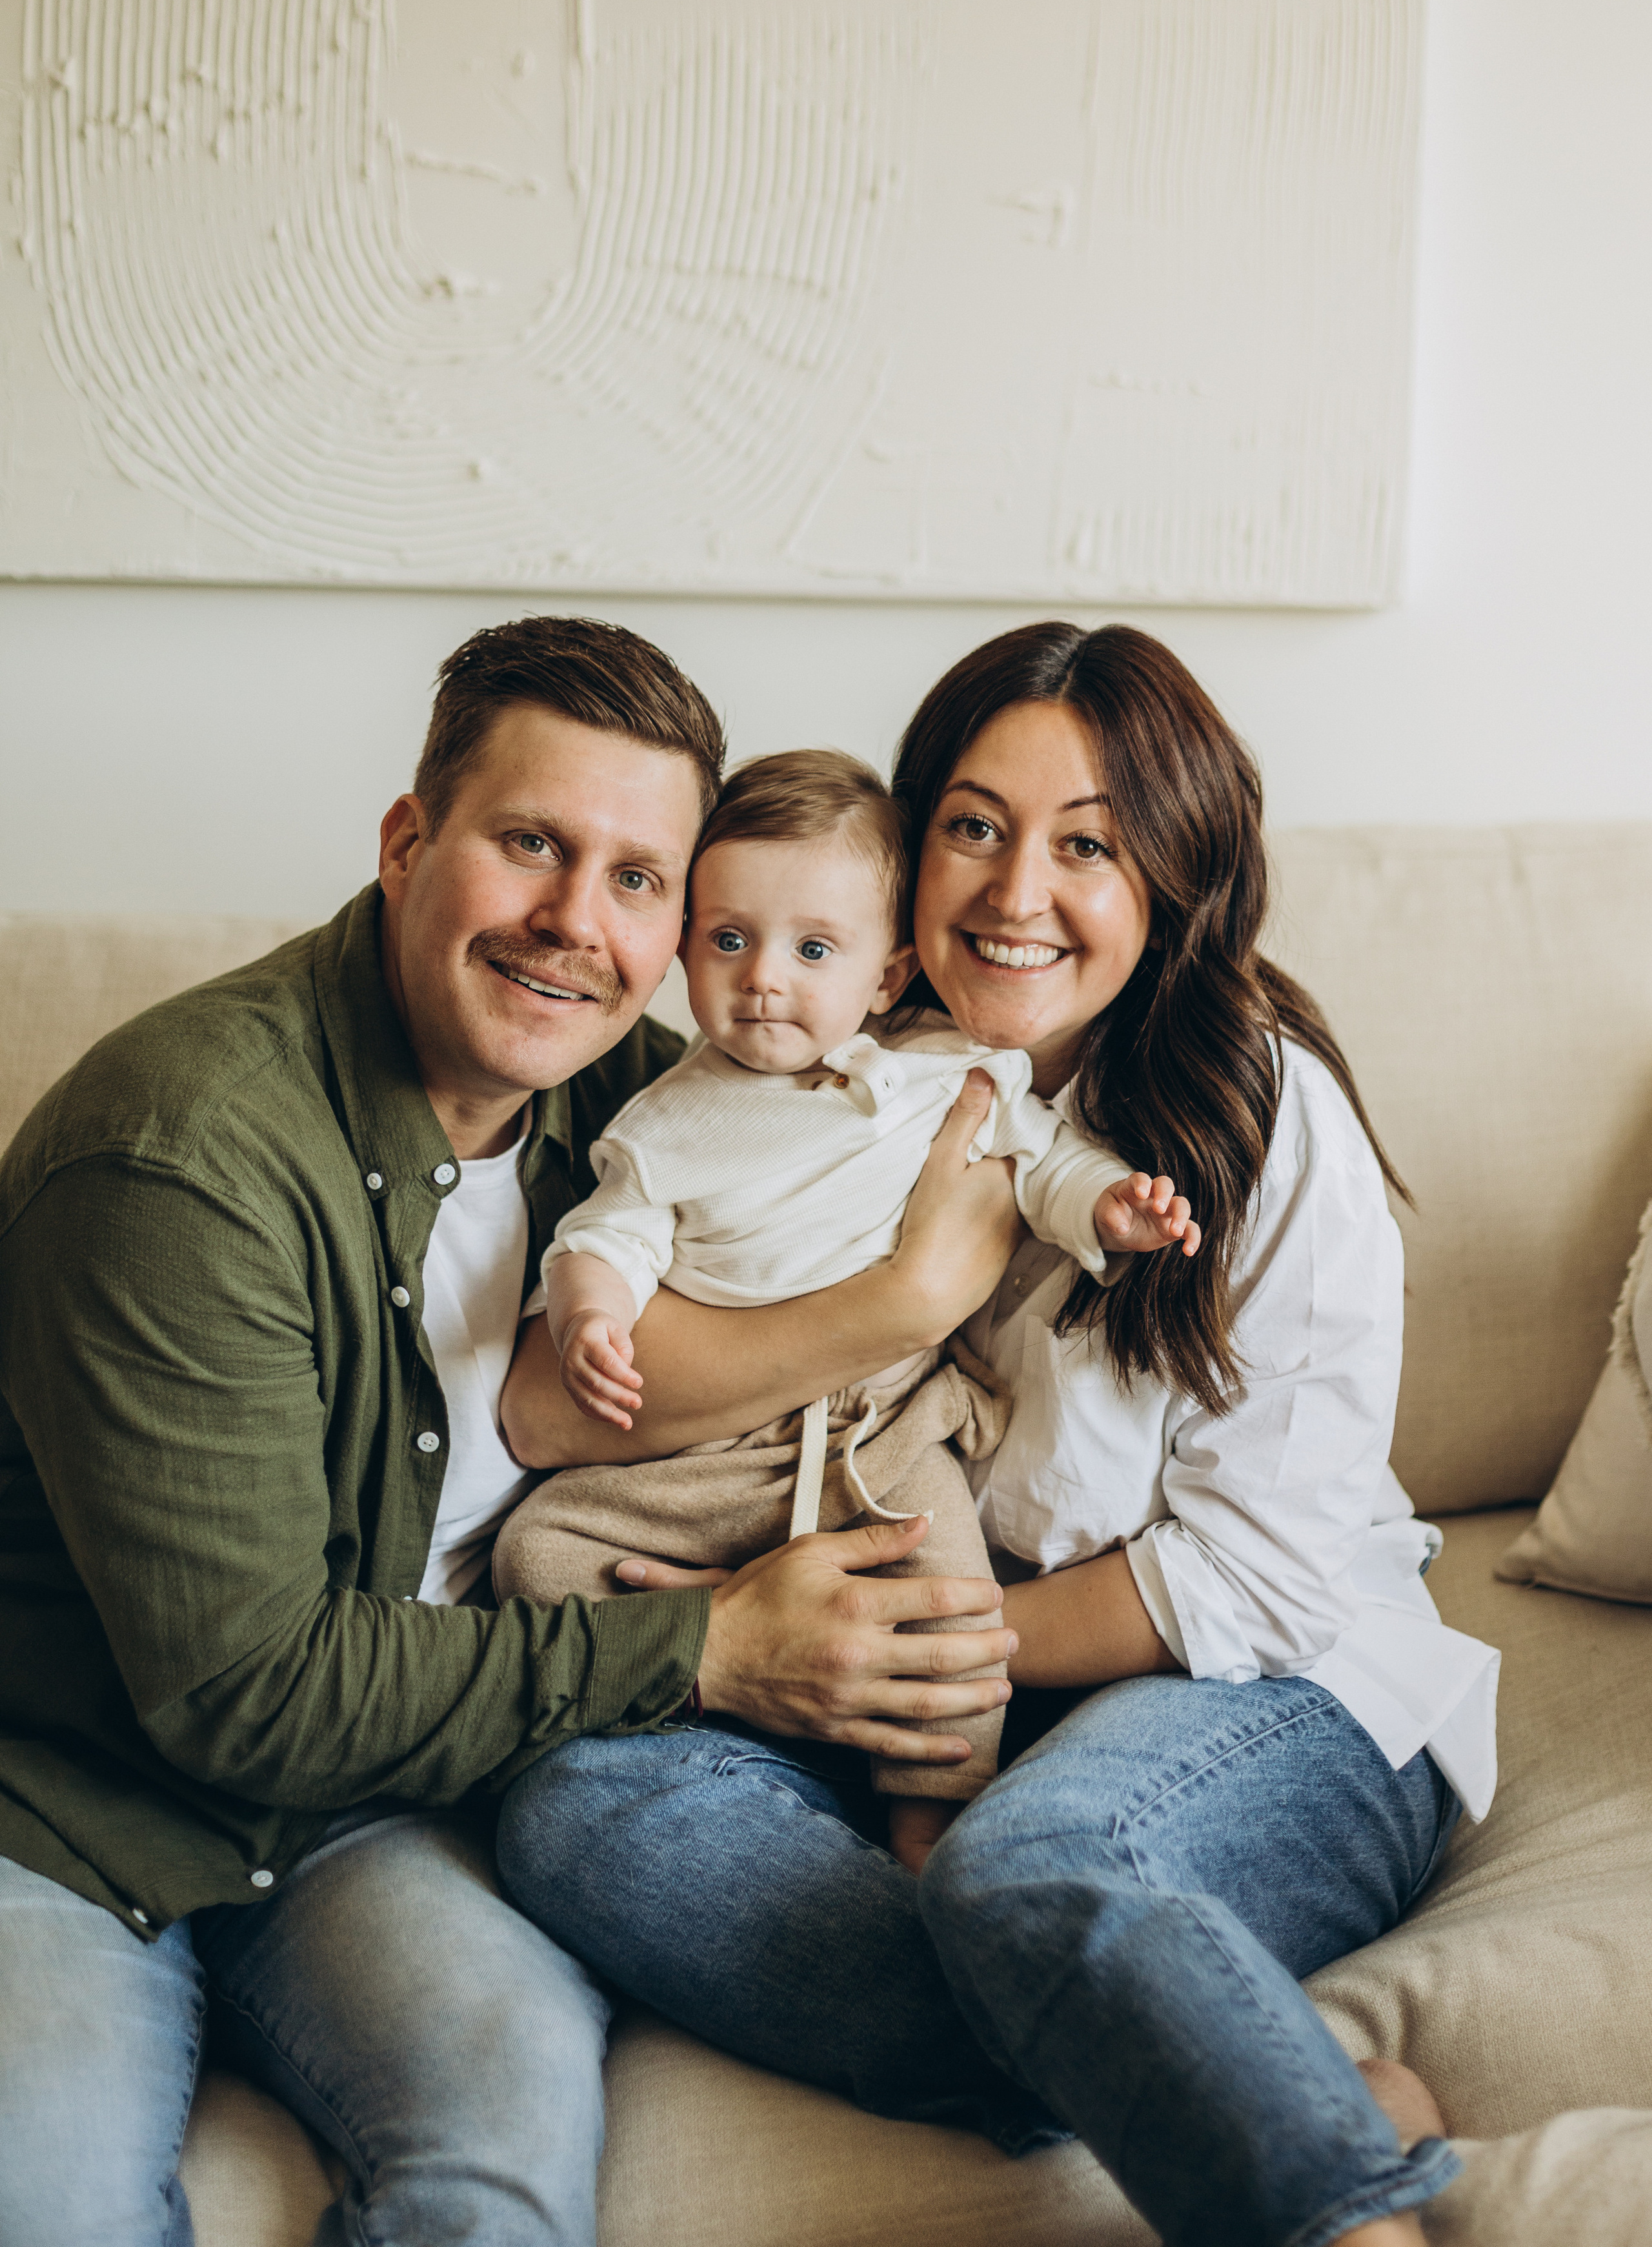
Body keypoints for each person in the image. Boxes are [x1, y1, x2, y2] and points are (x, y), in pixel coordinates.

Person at [0, 616, 1020, 2247]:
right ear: (409, 844)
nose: (574, 925)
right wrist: (704, 1647)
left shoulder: (629, 1098)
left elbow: (812, 1234)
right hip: (62, 1810)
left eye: (636, 881)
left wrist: (926, 1290)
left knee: (502, 2186)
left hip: (378, 1812)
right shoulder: (176, 1165)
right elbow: (246, 1693)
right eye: (532, 844)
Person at [493, 621, 1500, 2247]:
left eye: (1086, 845)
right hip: (917, 1693)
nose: (1013, 891)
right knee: (574, 1813)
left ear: (1173, 874)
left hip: (1269, 1689)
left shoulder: (1252, 1106)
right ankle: (1221, 2055)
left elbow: (1261, 1572)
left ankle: (1333, 2206)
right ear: (902, 870)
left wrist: (901, 1652)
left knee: (1022, 1869)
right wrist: (894, 1303)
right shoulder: (822, 1057)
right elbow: (551, 1399)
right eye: (971, 826)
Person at [494, 745, 1199, 1856]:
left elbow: (1043, 1159)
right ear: (684, 951)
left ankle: (929, 1828)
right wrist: (588, 1313)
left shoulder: (944, 1076)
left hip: (888, 1435)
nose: (764, 976)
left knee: (955, 1609)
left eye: (813, 949)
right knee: (535, 1554)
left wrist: (1110, 1209)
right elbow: (606, 1237)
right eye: (730, 941)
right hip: (705, 1461)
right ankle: (722, 1656)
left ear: (886, 976)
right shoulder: (662, 1118)